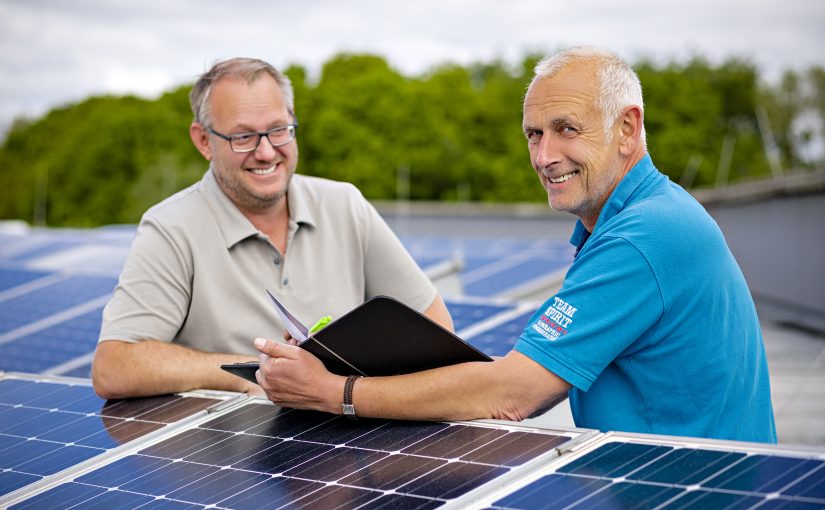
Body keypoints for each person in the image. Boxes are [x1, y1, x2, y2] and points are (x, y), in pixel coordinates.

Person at [254, 47, 777, 443]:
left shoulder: (646, 238)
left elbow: (514, 394)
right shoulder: (641, 218)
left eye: (566, 129)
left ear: (626, 128)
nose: (545, 156)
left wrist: (335, 393)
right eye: (533, 134)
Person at [92, 58, 452, 399]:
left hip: (352, 446)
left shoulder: (345, 205)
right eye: (243, 137)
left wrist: (341, 388)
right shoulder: (172, 227)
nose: (266, 152)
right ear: (203, 140)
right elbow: (114, 366)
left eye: (279, 130)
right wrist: (251, 375)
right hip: (234, 457)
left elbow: (437, 328)